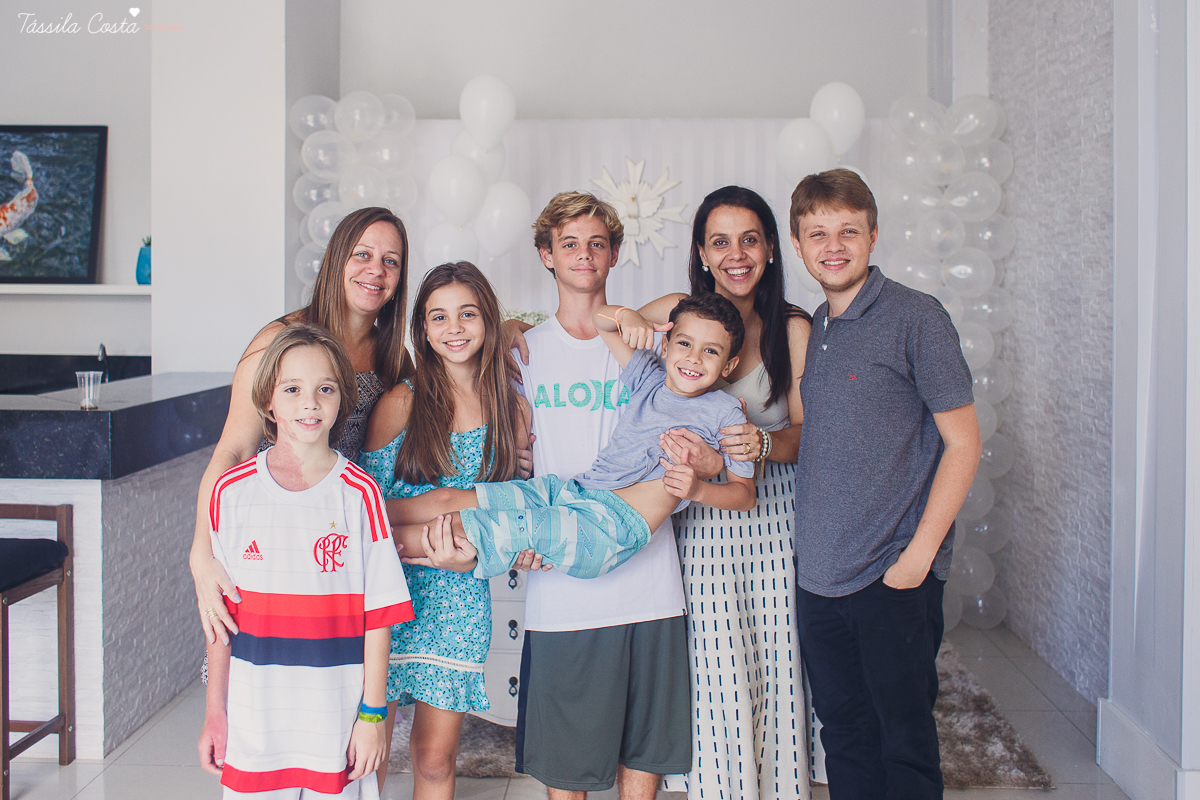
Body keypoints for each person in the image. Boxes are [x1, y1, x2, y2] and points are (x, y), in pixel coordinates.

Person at [788, 168, 981, 798]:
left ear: (874, 235)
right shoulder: (817, 326)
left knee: (904, 743)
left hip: (893, 575)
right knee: (843, 734)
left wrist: (919, 556)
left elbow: (963, 442)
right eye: (818, 233)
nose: (833, 245)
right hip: (820, 576)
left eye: (848, 230)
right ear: (798, 244)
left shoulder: (916, 318)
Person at [505, 191, 697, 799]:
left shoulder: (653, 344)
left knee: (643, 752)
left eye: (596, 243)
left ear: (615, 253)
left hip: (650, 580)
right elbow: (512, 458)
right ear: (546, 256)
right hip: (565, 586)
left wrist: (630, 317)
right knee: (569, 766)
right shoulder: (522, 352)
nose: (584, 254)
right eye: (569, 244)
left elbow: (707, 304)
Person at [628, 186, 817, 800]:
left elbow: (805, 434)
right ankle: (720, 787)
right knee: (713, 660)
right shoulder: (681, 312)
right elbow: (613, 326)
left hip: (772, 509)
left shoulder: (792, 327)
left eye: (750, 239)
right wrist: (518, 334)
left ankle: (777, 787)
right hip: (696, 512)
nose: (736, 254)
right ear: (702, 253)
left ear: (769, 249)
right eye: (720, 241)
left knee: (776, 655)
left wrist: (752, 446)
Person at [396, 292, 759, 581]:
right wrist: (629, 316)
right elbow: (603, 322)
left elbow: (744, 495)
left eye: (710, 352)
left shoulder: (726, 413)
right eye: (684, 344)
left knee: (466, 527)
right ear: (664, 347)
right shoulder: (649, 379)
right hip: (576, 492)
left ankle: (359, 546)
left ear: (728, 365)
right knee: (451, 500)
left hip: (608, 530)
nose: (694, 359)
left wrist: (698, 490)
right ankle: (358, 515)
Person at [198, 323, 413, 799]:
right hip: (254, 725)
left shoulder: (361, 496)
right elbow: (220, 617)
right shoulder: (230, 493)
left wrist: (372, 717)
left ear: (343, 401)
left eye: (325, 389)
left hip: (332, 725)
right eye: (292, 389)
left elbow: (379, 616)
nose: (309, 403)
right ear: (268, 400)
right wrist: (216, 712)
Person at [190, 207, 413, 649]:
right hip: (271, 527)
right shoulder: (279, 340)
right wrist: (201, 555)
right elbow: (233, 451)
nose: (376, 270)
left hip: (340, 536)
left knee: (338, 680)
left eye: (390, 261)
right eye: (362, 254)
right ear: (336, 261)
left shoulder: (395, 360)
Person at [357, 261, 531, 798]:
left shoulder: (510, 407)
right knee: (369, 752)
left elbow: (510, 508)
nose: (454, 328)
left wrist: (466, 538)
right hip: (389, 595)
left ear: (488, 320)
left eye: (468, 314)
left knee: (435, 758)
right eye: (439, 317)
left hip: (458, 599)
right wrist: (438, 510)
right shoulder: (401, 403)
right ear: (422, 329)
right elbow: (365, 509)